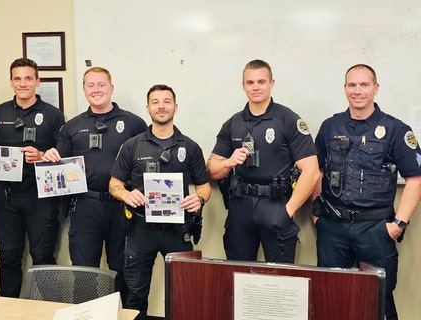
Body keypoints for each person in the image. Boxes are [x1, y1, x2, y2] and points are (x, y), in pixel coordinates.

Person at [311, 64, 421, 320]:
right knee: (329, 295)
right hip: (333, 227)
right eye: (352, 85)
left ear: (376, 88)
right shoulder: (330, 126)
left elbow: (415, 179)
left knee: (379, 298)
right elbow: (316, 172)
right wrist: (318, 213)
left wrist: (398, 225)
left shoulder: (396, 129)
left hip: (375, 229)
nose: (357, 91)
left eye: (364, 85)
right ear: (345, 88)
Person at [42, 67, 147, 302]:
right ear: (84, 90)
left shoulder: (134, 123)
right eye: (91, 85)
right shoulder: (72, 126)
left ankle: (121, 316)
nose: (96, 90)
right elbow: (59, 161)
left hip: (123, 206)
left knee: (122, 269)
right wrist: (50, 156)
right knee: (84, 271)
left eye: (101, 84)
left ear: (111, 88)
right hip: (85, 205)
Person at [109, 84, 211, 319]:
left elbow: (204, 185)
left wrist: (200, 198)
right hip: (140, 229)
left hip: (178, 230)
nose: (161, 106)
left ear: (175, 107)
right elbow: (114, 183)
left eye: (166, 101)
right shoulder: (132, 146)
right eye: (155, 102)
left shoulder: (190, 147)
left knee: (183, 293)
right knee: (135, 295)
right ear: (148, 108)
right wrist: (125, 194)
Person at [207, 59, 319, 263]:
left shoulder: (288, 120)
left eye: (261, 81)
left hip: (276, 204)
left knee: (279, 279)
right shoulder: (233, 123)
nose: (256, 87)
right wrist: (228, 162)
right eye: (250, 83)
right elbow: (213, 169)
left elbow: (311, 171)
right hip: (240, 205)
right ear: (243, 86)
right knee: (237, 272)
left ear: (271, 83)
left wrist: (288, 211)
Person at [0, 58, 66, 297]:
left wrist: (41, 155)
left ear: (38, 81)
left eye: (29, 78)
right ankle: (8, 308)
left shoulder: (53, 115)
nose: (23, 83)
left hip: (40, 196)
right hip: (6, 197)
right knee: (8, 256)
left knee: (42, 258)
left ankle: (44, 309)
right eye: (17, 78)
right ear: (11, 82)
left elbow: (63, 157)